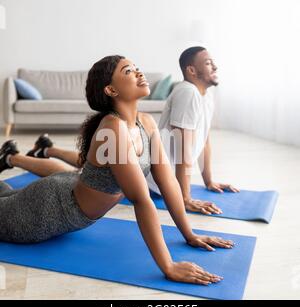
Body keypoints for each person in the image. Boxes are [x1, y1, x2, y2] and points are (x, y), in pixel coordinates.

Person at [0, 55, 234, 285]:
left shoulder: (146, 122)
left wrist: (190, 236)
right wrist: (168, 266)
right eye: (128, 71)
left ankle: (9, 158)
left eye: (136, 67)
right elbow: (141, 200)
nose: (139, 72)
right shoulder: (113, 129)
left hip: (63, 188)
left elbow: (167, 182)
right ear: (111, 90)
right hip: (44, 212)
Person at [147, 46, 239, 215]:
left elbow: (205, 141)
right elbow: (183, 151)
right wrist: (184, 198)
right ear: (191, 70)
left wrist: (209, 181)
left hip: (170, 183)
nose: (215, 67)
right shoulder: (187, 92)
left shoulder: (206, 95)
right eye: (208, 63)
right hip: (155, 184)